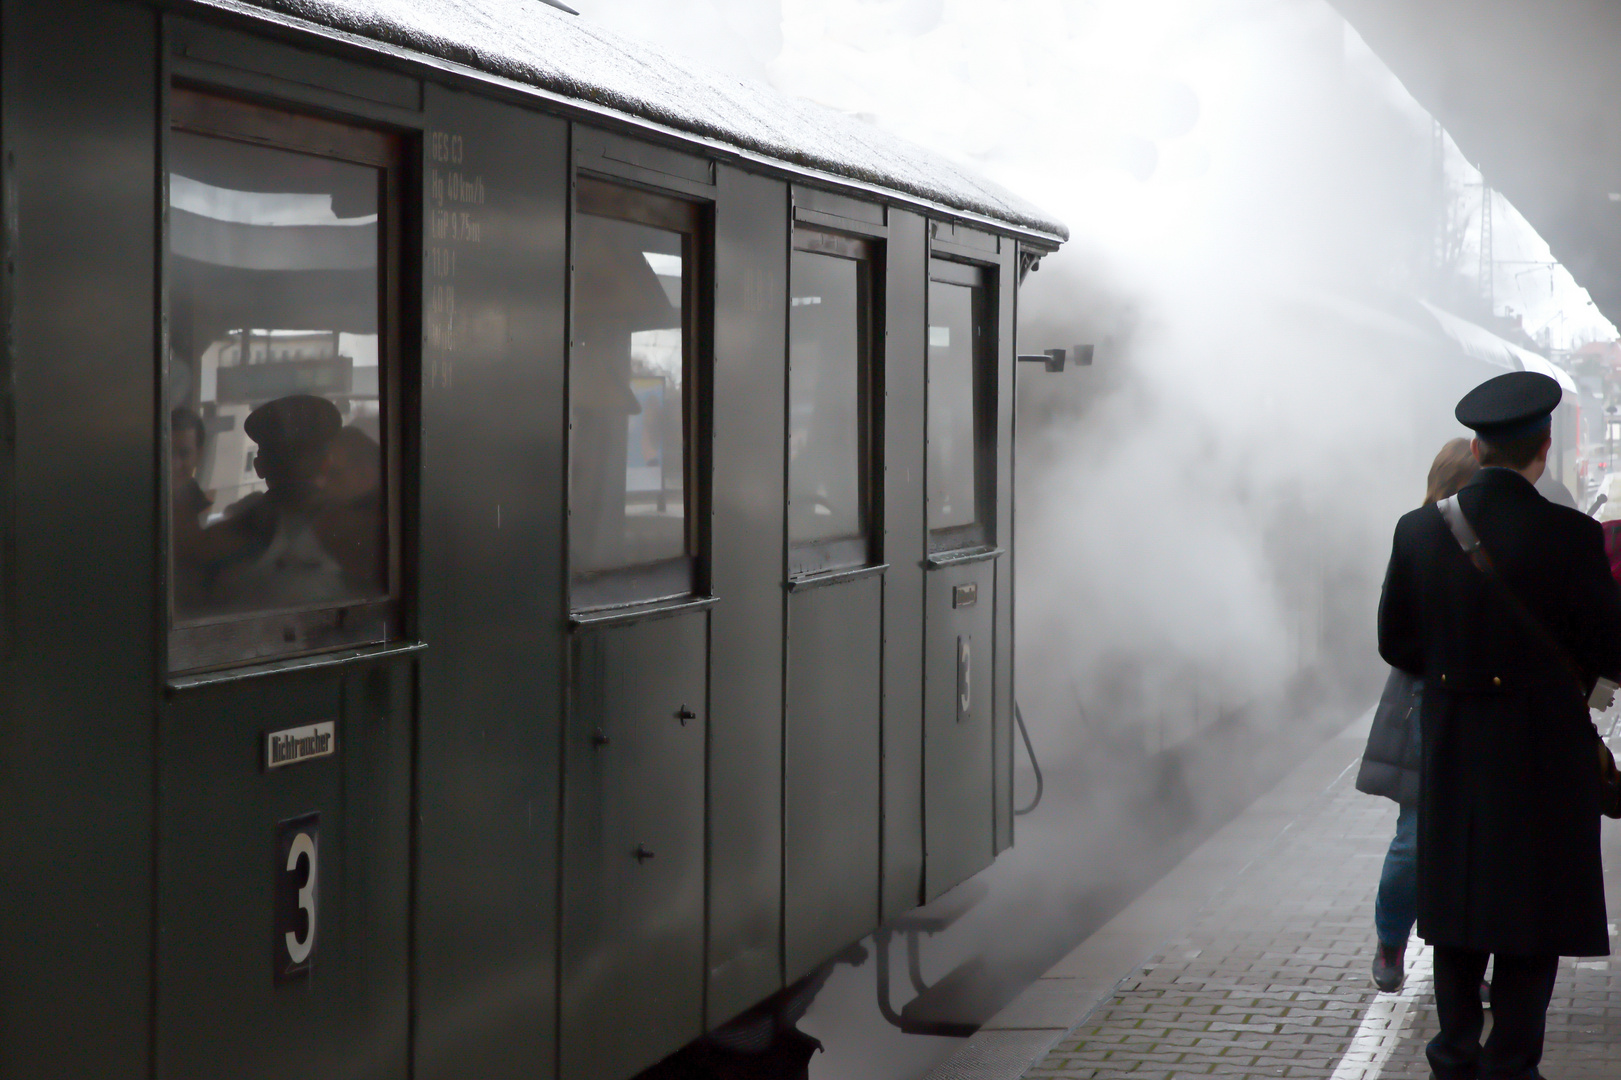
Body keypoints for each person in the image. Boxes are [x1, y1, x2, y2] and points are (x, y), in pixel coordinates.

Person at [1379, 370, 1621, 1080]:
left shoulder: (1418, 531)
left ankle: (1451, 1053)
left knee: (1456, 906)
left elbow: (1396, 643)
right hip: (1543, 753)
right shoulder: (1569, 537)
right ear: (1542, 447)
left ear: (1478, 448)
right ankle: (1510, 1060)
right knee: (1531, 911)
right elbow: (1612, 649)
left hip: (1454, 748)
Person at [1358, 438, 1479, 993]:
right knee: (1414, 839)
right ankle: (1390, 941)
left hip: (1480, 702)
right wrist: (1442, 666)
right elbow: (1393, 631)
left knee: (1477, 842)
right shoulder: (1418, 532)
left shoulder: (1502, 532)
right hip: (1426, 701)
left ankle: (1469, 963)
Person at [206, 394, 347, 611]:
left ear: (259, 466)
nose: (293, 470)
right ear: (327, 464)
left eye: (298, 457)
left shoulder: (227, 536)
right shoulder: (354, 528)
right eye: (285, 458)